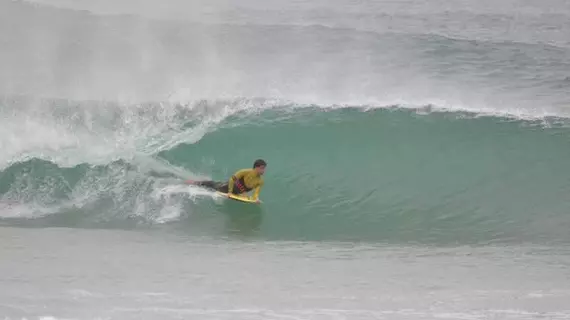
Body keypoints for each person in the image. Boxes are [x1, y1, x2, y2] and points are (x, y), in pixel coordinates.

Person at [185, 159, 266, 203]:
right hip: (228, 187)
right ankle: (195, 183)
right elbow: (232, 179)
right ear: (256, 167)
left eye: (264, 168)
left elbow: (256, 193)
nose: (264, 170)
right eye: (262, 168)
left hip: (236, 192)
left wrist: (256, 199)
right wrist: (230, 192)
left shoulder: (260, 181)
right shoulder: (245, 172)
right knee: (214, 186)